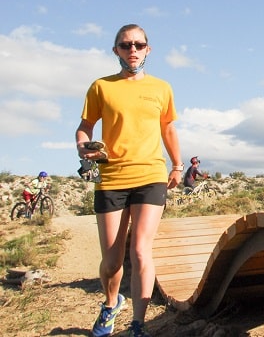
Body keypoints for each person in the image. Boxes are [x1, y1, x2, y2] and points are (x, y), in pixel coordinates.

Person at [75, 24, 183, 337]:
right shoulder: (101, 87)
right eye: (125, 45)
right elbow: (85, 127)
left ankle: (138, 323)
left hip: (150, 175)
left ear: (148, 49)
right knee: (111, 261)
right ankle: (111, 303)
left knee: (140, 251)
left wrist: (177, 165)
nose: (132, 50)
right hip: (110, 178)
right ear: (116, 51)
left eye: (138, 44)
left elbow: (169, 130)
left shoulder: (162, 88)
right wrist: (84, 148)